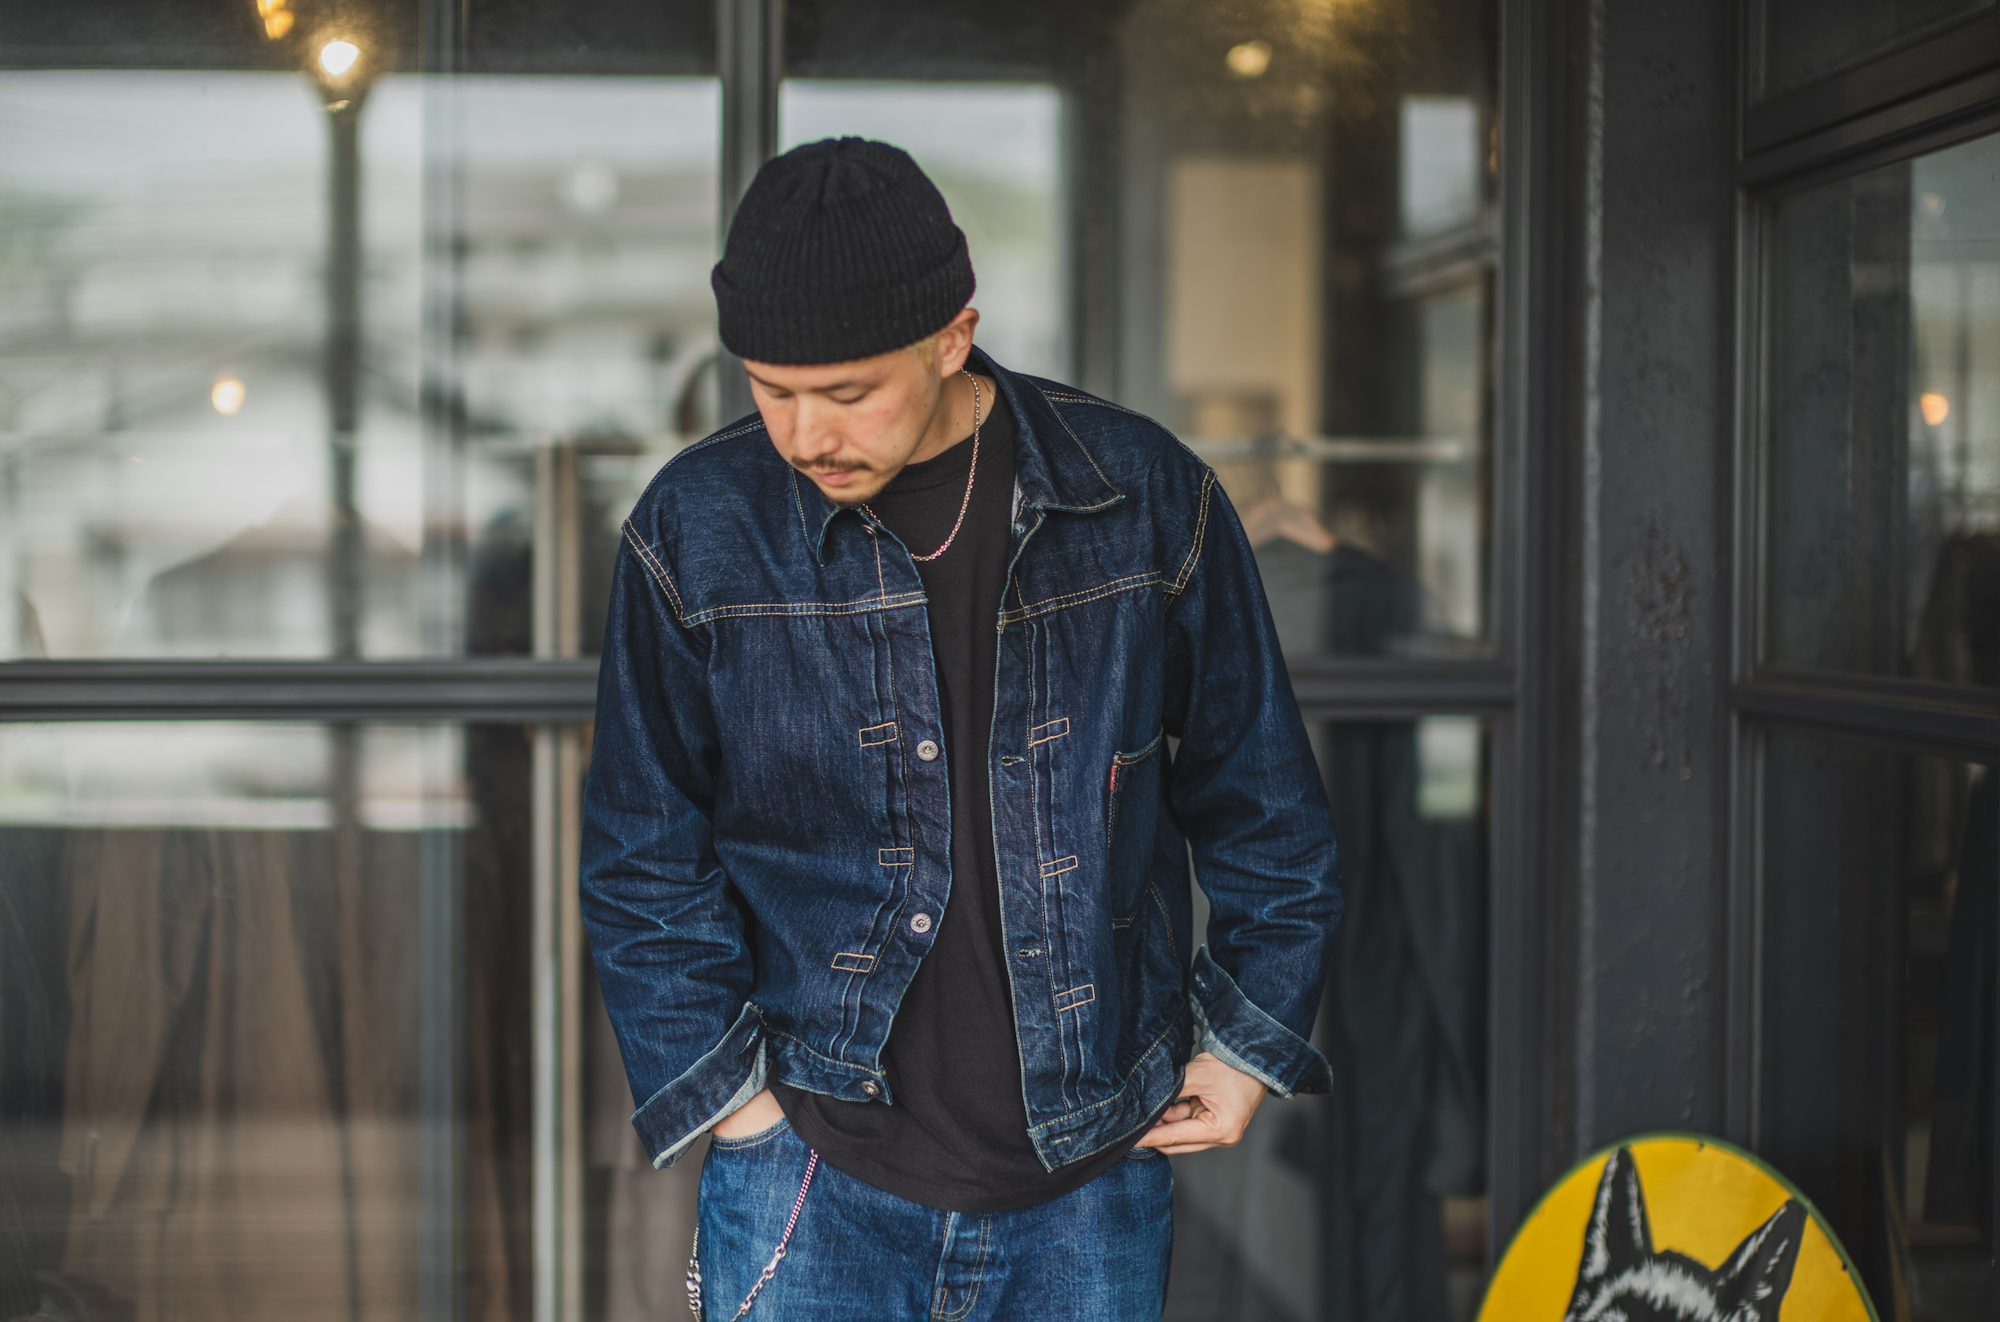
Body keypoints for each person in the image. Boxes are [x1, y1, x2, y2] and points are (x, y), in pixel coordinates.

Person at [581, 137, 1342, 1321]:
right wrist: (738, 1108)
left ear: (951, 337)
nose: (804, 433)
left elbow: (1264, 804)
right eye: (770, 389)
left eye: (847, 394)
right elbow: (641, 849)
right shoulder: (696, 526)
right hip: (807, 1167)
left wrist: (1244, 1045)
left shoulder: (1137, 495)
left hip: (1088, 1170)